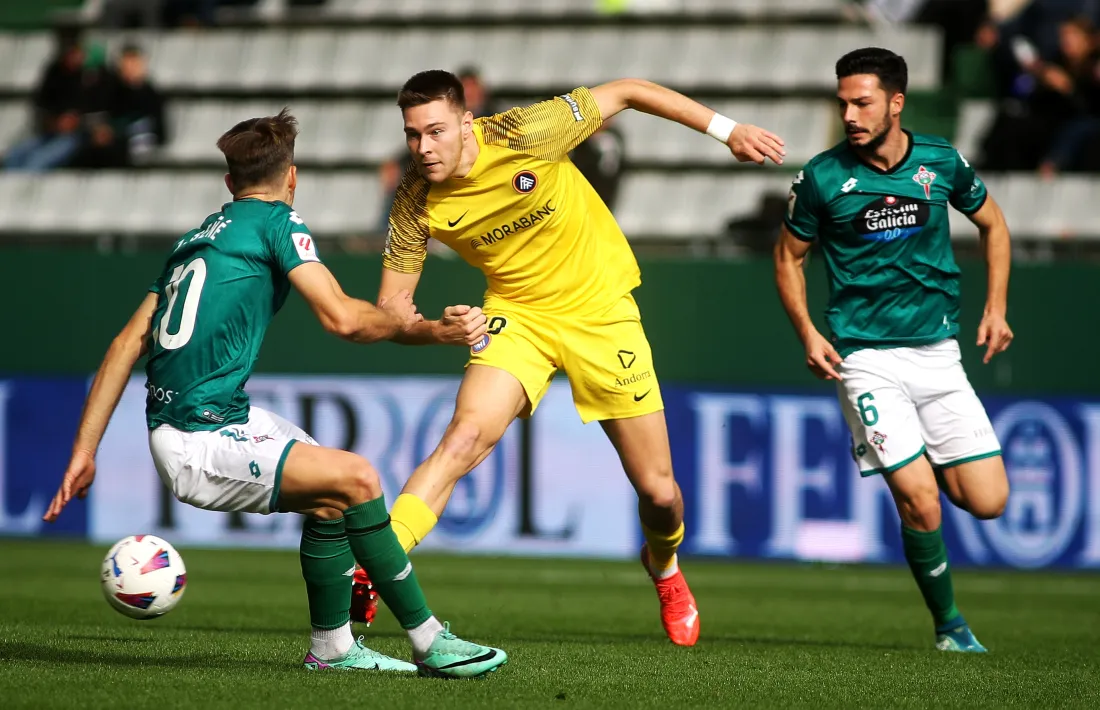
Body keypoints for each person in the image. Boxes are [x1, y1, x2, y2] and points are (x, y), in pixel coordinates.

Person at [42, 109, 507, 678]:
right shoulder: (277, 225)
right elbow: (342, 319)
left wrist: (84, 452)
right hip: (200, 436)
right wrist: (423, 328)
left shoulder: (192, 242)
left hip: (205, 424)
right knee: (359, 478)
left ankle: (333, 647)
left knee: (333, 495)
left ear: (228, 183)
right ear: (292, 177)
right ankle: (429, 641)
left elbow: (122, 346)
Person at [350, 70, 786, 647]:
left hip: (600, 312)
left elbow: (630, 90)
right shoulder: (414, 198)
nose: (424, 148)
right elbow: (392, 315)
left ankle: (664, 566)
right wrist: (438, 329)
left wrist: (726, 130)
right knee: (463, 438)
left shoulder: (527, 131)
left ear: (465, 120)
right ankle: (378, 563)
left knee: (659, 493)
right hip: (517, 316)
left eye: (434, 131)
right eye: (412, 135)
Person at [773, 48, 1013, 653]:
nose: (850, 114)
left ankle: (913, 463)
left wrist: (996, 308)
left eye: (863, 102)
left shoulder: (940, 161)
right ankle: (951, 626)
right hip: (865, 358)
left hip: (938, 354)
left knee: (986, 501)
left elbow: (995, 225)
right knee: (921, 498)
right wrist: (808, 332)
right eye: (843, 103)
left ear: (896, 103)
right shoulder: (822, 177)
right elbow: (788, 258)